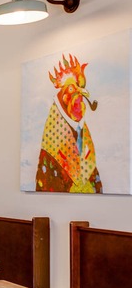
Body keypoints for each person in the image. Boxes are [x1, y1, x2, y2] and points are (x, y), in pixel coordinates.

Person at [35, 54, 101, 193]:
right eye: (72, 89)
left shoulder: (84, 138)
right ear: (63, 98)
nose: (80, 91)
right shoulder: (51, 147)